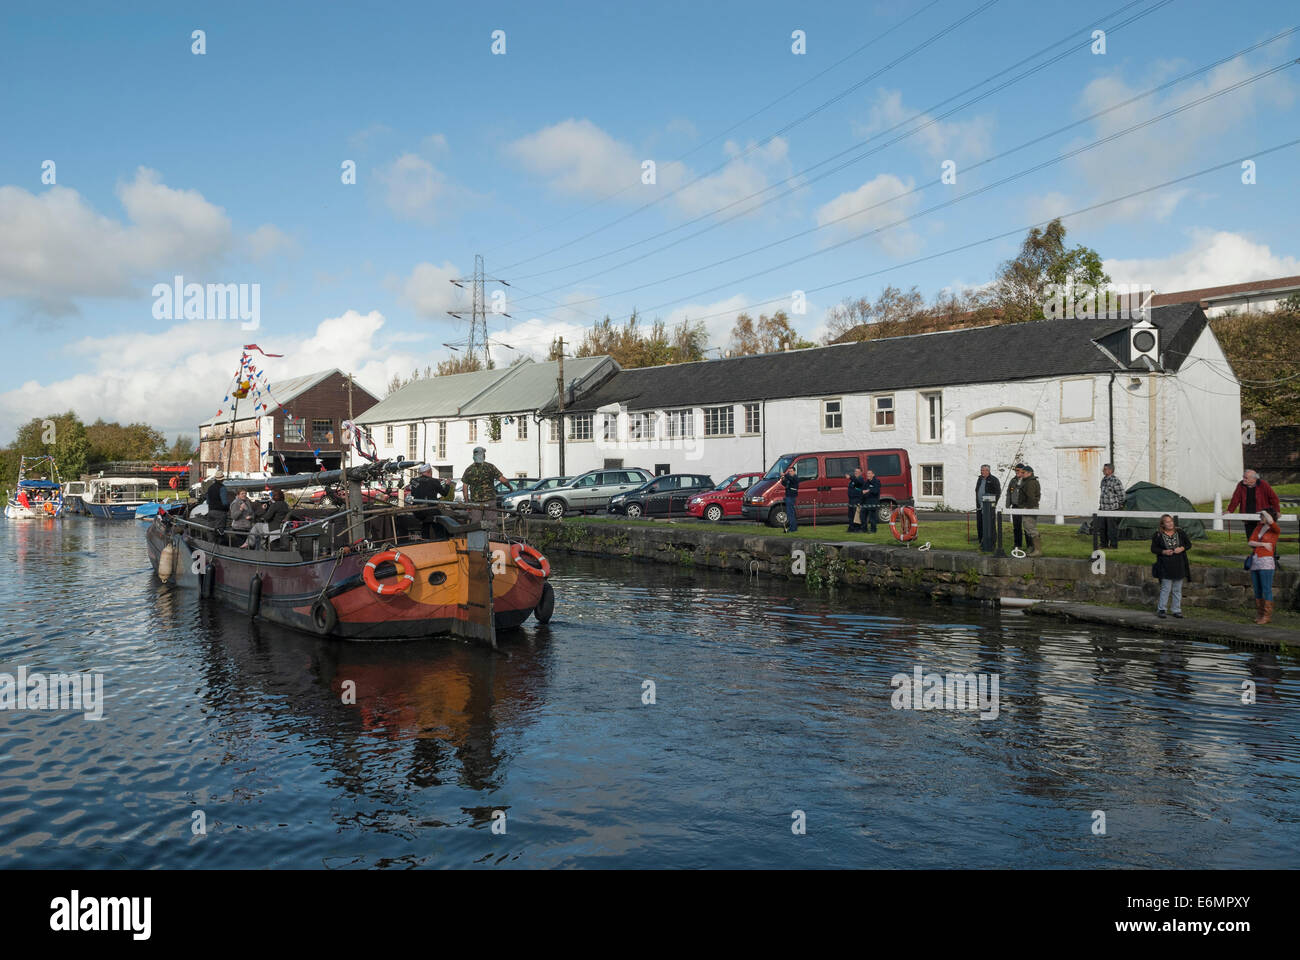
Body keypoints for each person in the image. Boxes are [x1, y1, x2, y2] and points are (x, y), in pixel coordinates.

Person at [1150, 513, 1191, 618]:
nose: (1170, 523)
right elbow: (1153, 549)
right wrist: (1163, 551)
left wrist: (1181, 548)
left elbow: (1188, 544)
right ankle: (1162, 609)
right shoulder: (1158, 535)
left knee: (1177, 589)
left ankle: (1176, 610)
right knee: (1166, 588)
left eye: (1171, 521)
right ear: (1163, 524)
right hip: (1165, 564)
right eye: (1167, 522)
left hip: (1179, 563)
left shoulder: (1180, 532)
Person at [1247, 509, 1281, 625]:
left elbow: (1271, 522)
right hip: (1256, 561)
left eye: (1262, 516)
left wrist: (1265, 512)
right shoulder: (1258, 527)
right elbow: (1250, 542)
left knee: (1266, 589)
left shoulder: (1274, 529)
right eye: (1261, 515)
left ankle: (1267, 615)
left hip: (1266, 562)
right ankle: (1260, 614)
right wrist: (1263, 544)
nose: (1260, 517)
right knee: (1257, 589)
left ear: (1268, 516)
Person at [1228, 469, 1281, 543]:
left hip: (1262, 518)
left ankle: (1272, 554)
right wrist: (1229, 510)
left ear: (1254, 479)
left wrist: (1277, 511)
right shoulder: (1241, 485)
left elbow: (1274, 498)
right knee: (1251, 540)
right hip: (1248, 518)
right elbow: (1235, 498)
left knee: (1266, 539)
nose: (1243, 479)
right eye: (1243, 477)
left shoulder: (1263, 484)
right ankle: (1254, 554)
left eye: (1246, 478)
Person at [409, 464, 451, 538]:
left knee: (425, 524)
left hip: (417, 510)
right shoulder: (434, 481)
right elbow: (444, 493)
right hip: (430, 510)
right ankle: (440, 540)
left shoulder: (414, 481)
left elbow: (413, 493)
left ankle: (425, 539)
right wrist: (447, 484)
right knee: (438, 524)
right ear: (429, 471)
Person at [1097, 463, 1125, 549]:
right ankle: (1103, 544)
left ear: (1110, 470)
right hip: (1103, 509)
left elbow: (1122, 495)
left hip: (1112, 509)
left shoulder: (1116, 481)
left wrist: (1120, 505)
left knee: (1111, 529)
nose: (1103, 470)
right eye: (1103, 469)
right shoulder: (1103, 480)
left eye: (1105, 469)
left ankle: (1113, 545)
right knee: (1102, 528)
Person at [974, 464, 1001, 547]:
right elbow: (977, 490)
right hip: (979, 506)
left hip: (989, 507)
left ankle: (992, 542)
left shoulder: (994, 479)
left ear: (988, 471)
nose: (982, 472)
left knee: (990, 525)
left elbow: (998, 493)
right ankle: (981, 541)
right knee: (980, 524)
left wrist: (993, 504)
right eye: (981, 470)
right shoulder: (980, 479)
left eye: (984, 470)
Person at [1019, 464, 1042, 557]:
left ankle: (1037, 550)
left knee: (1031, 528)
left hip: (1030, 508)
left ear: (1029, 473)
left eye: (1023, 472)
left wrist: (1028, 508)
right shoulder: (1028, 481)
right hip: (1029, 507)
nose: (1022, 474)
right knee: (1028, 528)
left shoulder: (1030, 482)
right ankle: (1034, 548)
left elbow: (1031, 497)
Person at [1005, 466, 1024, 550]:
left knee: (1027, 527)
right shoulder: (1013, 480)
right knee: (1016, 526)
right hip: (1015, 506)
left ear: (1023, 471)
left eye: (1018, 470)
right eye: (1015, 470)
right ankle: (1017, 544)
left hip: (1024, 506)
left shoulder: (1026, 480)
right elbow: (1009, 492)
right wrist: (1007, 504)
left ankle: (1030, 545)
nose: (1016, 472)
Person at [780, 464, 800, 533]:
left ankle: (792, 528)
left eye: (791, 471)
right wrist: (783, 479)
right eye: (789, 471)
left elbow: (791, 479)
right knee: (790, 513)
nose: (790, 472)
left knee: (790, 513)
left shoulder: (795, 477)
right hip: (788, 496)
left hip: (791, 497)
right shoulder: (789, 477)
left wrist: (785, 474)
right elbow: (785, 484)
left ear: (794, 471)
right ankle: (793, 528)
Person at [846, 467, 867, 532]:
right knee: (851, 515)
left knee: (857, 515)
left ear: (861, 473)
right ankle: (851, 528)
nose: (856, 473)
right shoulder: (852, 481)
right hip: (851, 500)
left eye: (857, 472)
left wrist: (850, 477)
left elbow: (857, 481)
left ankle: (858, 528)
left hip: (857, 499)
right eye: (855, 471)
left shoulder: (860, 479)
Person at [861, 469, 881, 533]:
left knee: (872, 517)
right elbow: (862, 491)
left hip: (873, 502)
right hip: (865, 502)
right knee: (862, 516)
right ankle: (864, 529)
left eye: (869, 473)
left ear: (873, 474)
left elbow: (876, 491)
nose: (868, 475)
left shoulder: (877, 482)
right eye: (867, 474)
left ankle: (873, 530)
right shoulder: (866, 482)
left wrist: (868, 490)